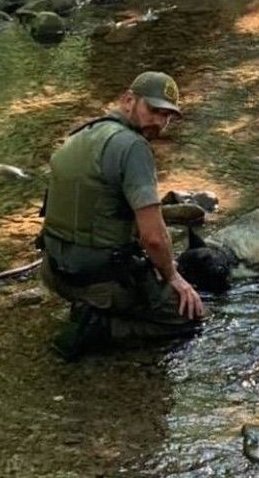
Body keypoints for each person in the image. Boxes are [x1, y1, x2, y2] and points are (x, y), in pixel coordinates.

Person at [39, 71, 206, 360]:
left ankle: (90, 307)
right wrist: (174, 277)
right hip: (99, 281)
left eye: (167, 116)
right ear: (128, 100)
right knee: (191, 316)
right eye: (153, 110)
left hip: (55, 271)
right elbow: (153, 238)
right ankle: (103, 326)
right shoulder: (133, 147)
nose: (159, 122)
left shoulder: (81, 134)